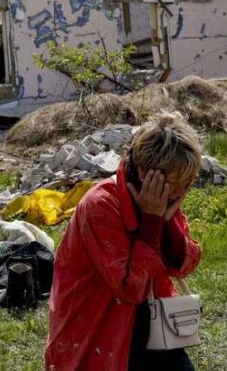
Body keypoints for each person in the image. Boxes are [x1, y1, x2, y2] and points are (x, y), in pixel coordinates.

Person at [45, 112, 202, 371]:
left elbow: (184, 263)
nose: (184, 190)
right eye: (179, 183)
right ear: (143, 172)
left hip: (150, 319)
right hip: (99, 325)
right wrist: (152, 221)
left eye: (188, 182)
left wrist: (165, 220)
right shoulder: (101, 206)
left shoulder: (162, 195)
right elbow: (130, 288)